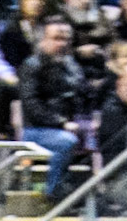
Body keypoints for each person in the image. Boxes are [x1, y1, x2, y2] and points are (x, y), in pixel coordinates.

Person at [20, 18, 85, 194]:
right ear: (43, 41)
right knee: (67, 141)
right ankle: (54, 190)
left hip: (68, 127)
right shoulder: (32, 66)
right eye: (57, 38)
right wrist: (62, 123)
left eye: (66, 40)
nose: (63, 44)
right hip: (37, 130)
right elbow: (32, 105)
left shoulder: (71, 65)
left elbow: (82, 96)